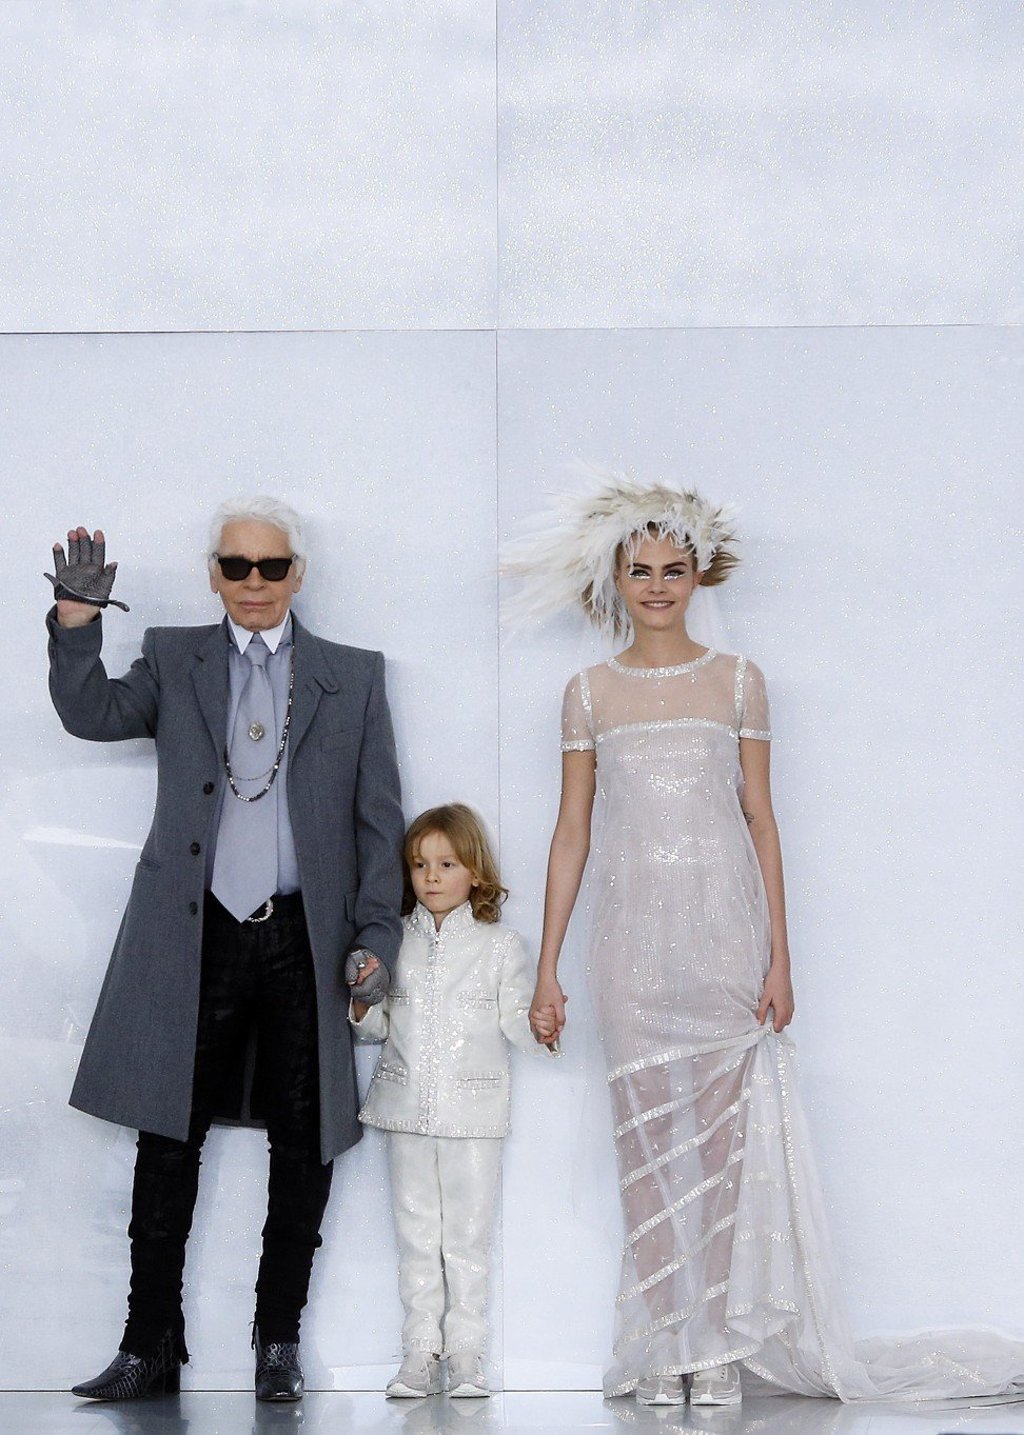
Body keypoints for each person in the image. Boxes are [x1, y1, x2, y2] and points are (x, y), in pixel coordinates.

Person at [504, 472, 1024, 1407]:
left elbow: (762, 819)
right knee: (647, 1147)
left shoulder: (739, 679)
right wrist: (546, 966)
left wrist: (781, 953)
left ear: (701, 574)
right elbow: (571, 832)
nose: (657, 584)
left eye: (674, 568)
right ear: (614, 580)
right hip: (630, 946)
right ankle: (668, 1344)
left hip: (723, 939)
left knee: (721, 1149)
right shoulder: (586, 692)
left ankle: (715, 1347)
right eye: (640, 570)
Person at [45, 498, 404, 1402]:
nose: (253, 582)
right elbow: (91, 713)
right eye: (235, 566)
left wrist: (374, 936)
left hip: (300, 934)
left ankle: (276, 1343)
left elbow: (377, 820)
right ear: (213, 572)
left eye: (270, 567)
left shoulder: (351, 677)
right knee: (167, 1136)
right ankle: (147, 1343)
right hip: (192, 929)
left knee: (304, 1139)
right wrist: (76, 624)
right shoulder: (175, 656)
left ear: (297, 575)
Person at [350, 804, 556, 1399]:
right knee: (416, 1236)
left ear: (475, 871)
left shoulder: (499, 947)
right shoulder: (393, 942)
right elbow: (374, 1027)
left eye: (445, 863)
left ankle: (466, 1353)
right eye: (419, 865)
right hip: (405, 1109)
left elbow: (516, 1023)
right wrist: (361, 1002)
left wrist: (542, 1025)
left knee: (466, 1238)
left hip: (474, 1117)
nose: (431, 876)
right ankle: (419, 1351)